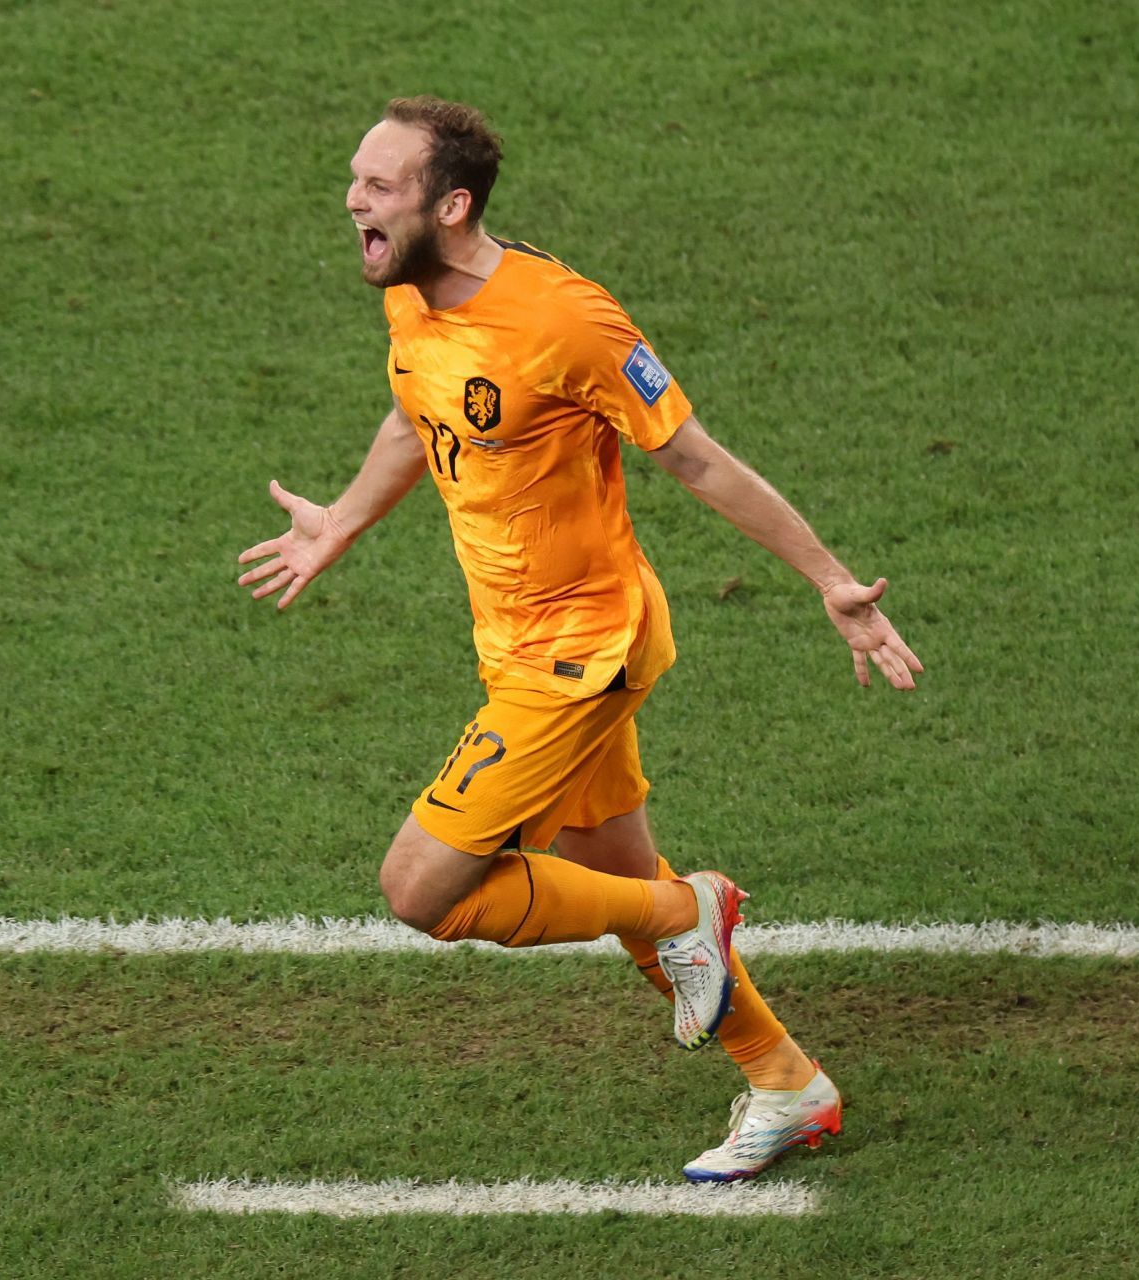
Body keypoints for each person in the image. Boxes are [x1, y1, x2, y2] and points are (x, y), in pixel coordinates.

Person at [238, 95, 922, 1183]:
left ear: (452, 205)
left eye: (380, 184)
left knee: (424, 888)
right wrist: (342, 518)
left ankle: (691, 907)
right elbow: (422, 409)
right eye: (355, 178)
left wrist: (832, 579)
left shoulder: (567, 321)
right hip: (517, 643)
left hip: (583, 651)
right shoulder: (414, 295)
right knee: (613, 878)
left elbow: (693, 456)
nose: (354, 199)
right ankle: (789, 1082)